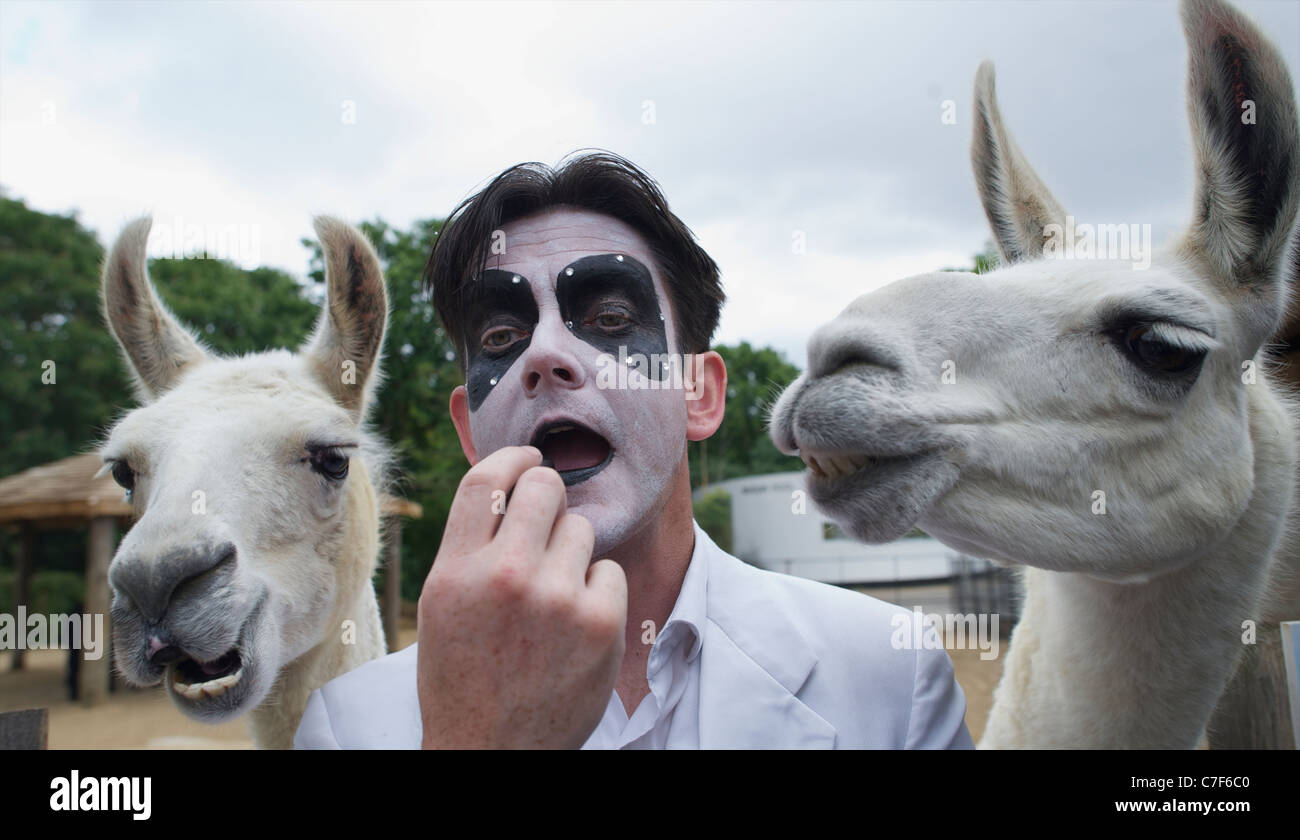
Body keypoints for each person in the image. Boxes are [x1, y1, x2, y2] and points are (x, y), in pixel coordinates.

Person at [293, 150, 974, 749]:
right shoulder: (346, 727)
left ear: (699, 395)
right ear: (471, 431)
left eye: (611, 320)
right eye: (501, 337)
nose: (547, 355)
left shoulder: (891, 679)